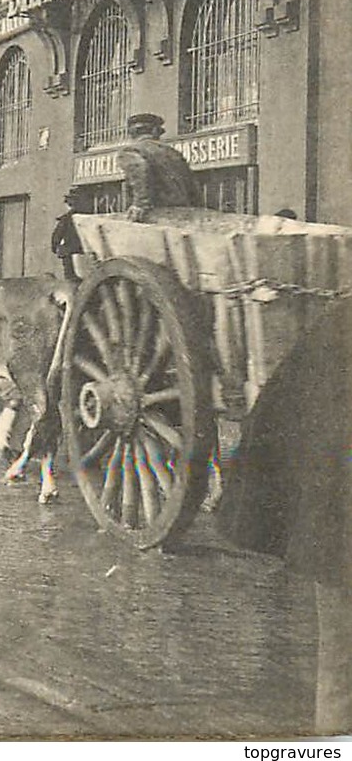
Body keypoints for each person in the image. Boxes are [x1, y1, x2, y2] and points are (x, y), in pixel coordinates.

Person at [218, 299, 352, 735]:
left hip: (330, 522)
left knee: (340, 665)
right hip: (336, 521)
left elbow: (271, 416)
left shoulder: (338, 321)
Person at [118, 112, 198, 221]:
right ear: (156, 132)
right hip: (182, 213)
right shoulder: (173, 152)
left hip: (155, 215)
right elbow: (192, 185)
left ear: (132, 133)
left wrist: (139, 204)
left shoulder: (131, 151)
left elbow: (140, 172)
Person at [50, 187, 85, 281]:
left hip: (70, 253)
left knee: (71, 280)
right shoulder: (86, 218)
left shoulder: (66, 219)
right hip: (83, 253)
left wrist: (57, 248)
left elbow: (55, 238)